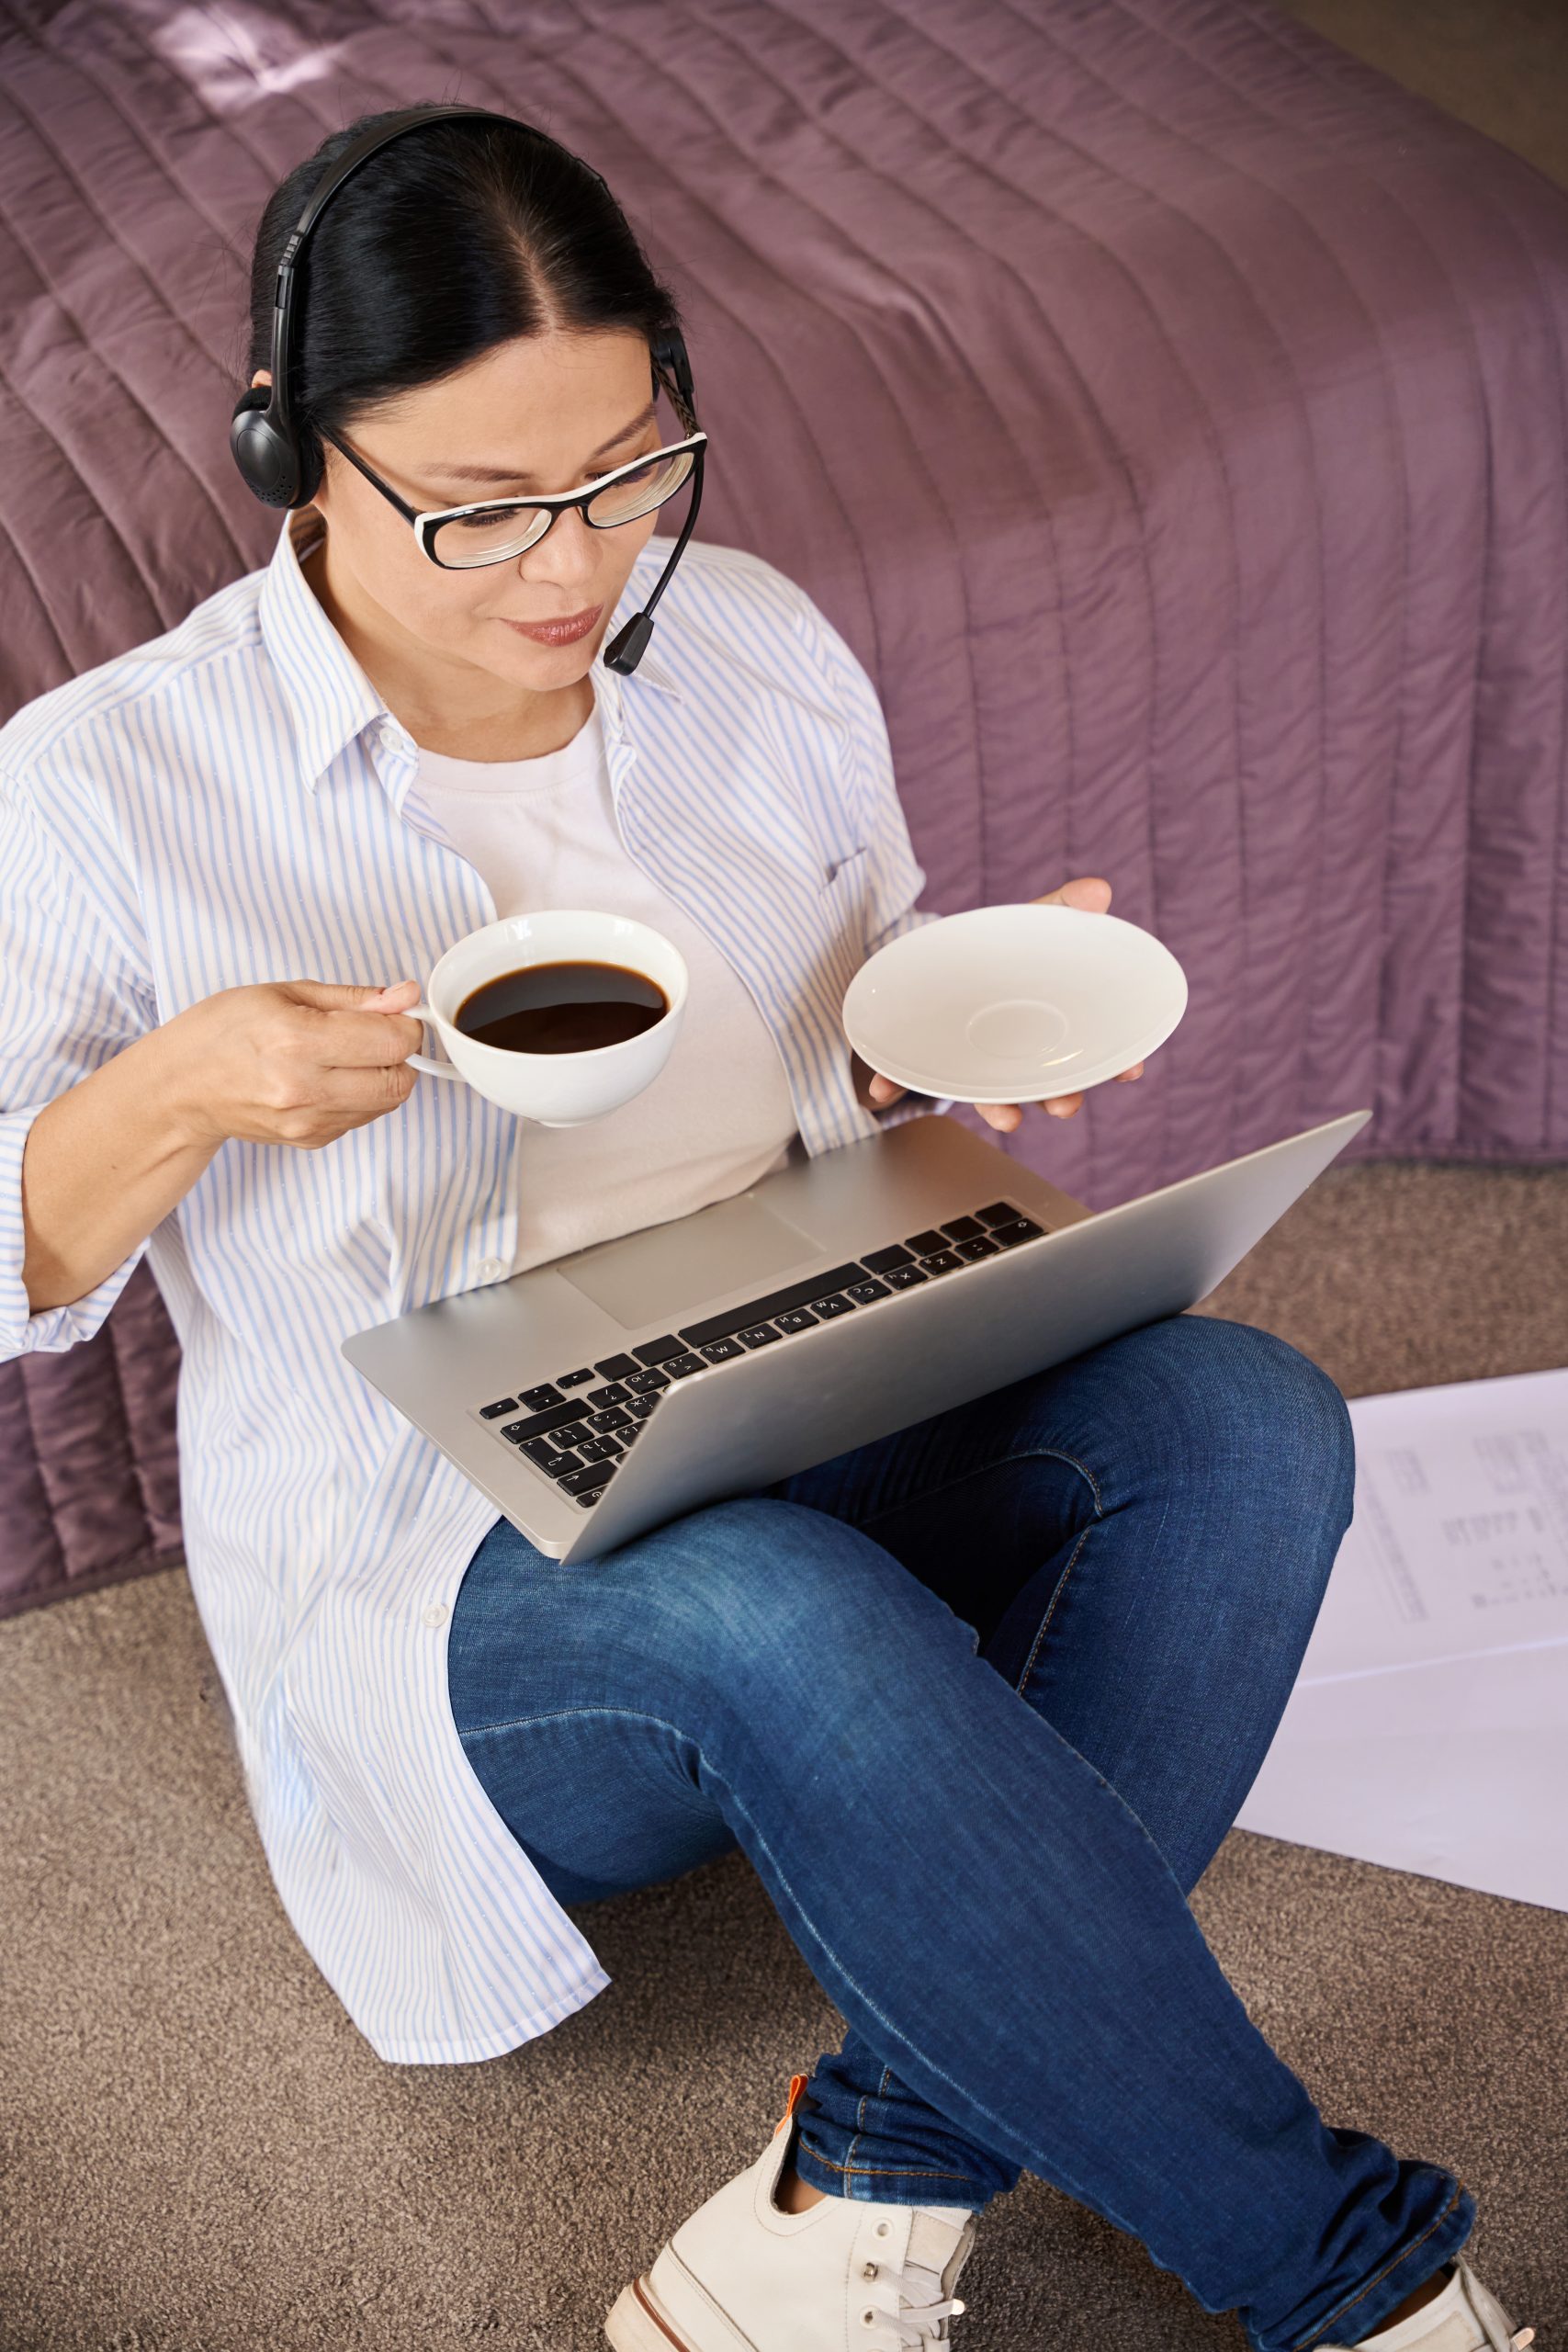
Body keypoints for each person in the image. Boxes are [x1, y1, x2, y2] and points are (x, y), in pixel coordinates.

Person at [0, 103, 1529, 2352]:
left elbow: (850, 1028)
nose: (569, 566)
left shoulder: (755, 643)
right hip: (451, 1558)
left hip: (816, 1357)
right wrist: (173, 1092)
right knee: (778, 1609)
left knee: (1245, 1414)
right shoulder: (97, 789)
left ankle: (861, 2182)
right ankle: (1335, 2262)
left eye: (626, 470)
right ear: (289, 454)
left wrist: (943, 1031)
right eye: (483, 506)